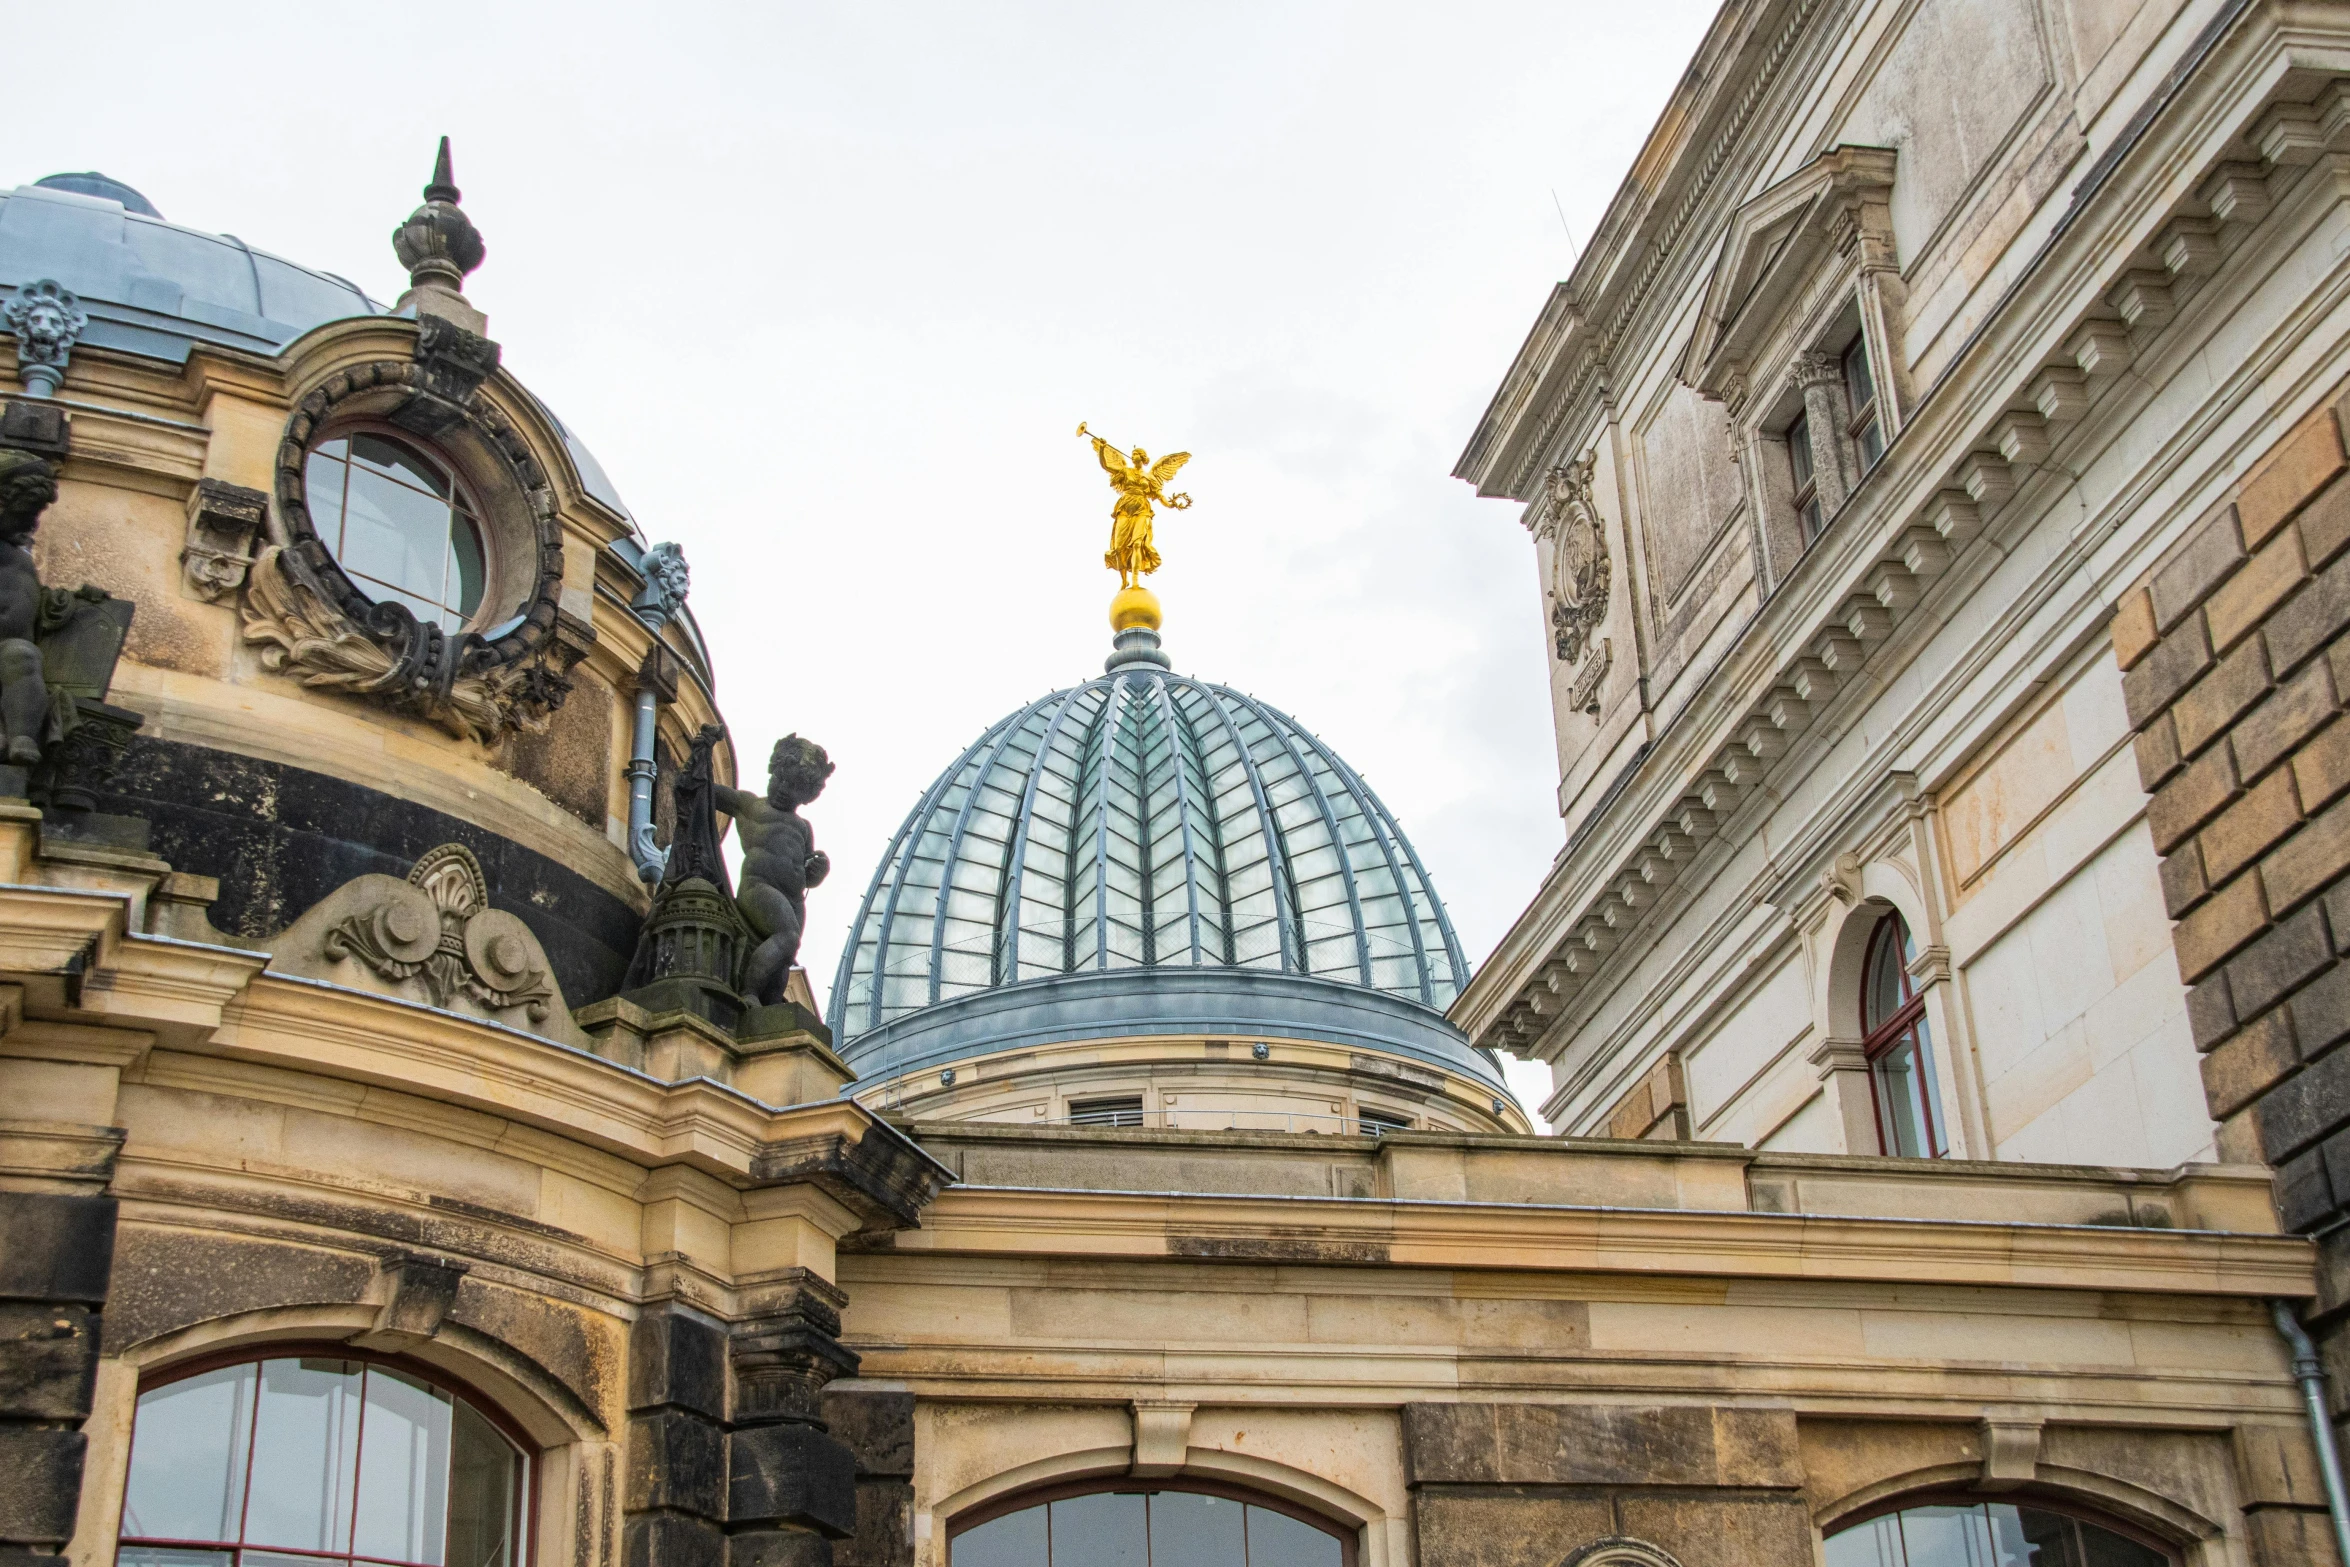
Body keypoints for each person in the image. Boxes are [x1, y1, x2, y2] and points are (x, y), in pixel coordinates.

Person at [715, 734, 833, 1007]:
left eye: (793, 787)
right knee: (787, 936)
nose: (782, 789)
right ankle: (749, 993)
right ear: (773, 770)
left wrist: (818, 869)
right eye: (780, 779)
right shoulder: (751, 805)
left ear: (805, 795)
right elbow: (709, 792)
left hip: (793, 900)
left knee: (784, 958)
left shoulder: (803, 827)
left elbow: (806, 870)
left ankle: (769, 1002)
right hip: (758, 888)